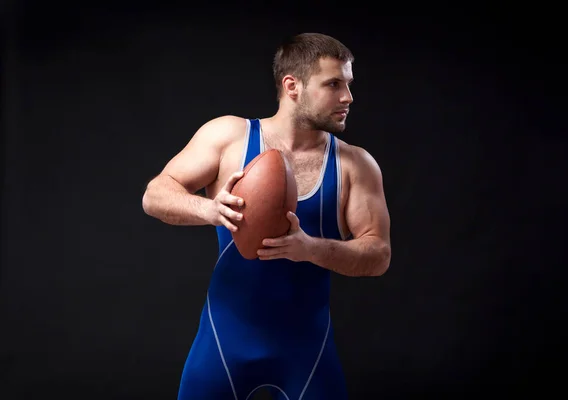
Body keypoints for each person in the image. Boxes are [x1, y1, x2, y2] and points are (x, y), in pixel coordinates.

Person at [142, 32, 391, 400]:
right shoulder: (230, 137)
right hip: (225, 343)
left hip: (307, 352)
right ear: (293, 86)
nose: (348, 98)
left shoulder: (355, 164)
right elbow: (156, 194)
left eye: (348, 84)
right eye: (334, 84)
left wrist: (311, 249)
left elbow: (378, 254)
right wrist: (209, 209)